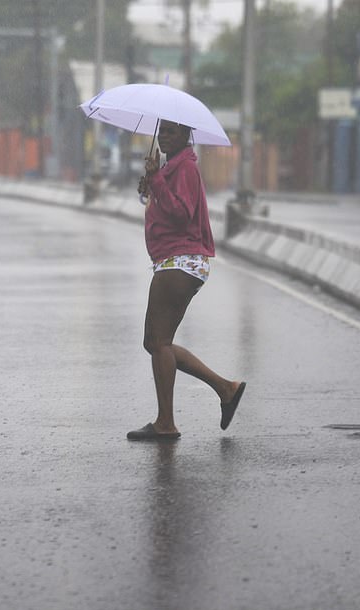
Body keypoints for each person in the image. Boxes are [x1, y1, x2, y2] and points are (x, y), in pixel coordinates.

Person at [126, 119, 246, 441]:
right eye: (161, 130)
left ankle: (166, 422)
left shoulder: (186, 168)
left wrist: (158, 183)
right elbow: (166, 207)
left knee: (157, 343)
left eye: (171, 131)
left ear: (185, 135)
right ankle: (226, 389)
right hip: (174, 260)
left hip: (181, 261)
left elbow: (182, 212)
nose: (164, 136)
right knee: (156, 343)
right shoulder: (173, 167)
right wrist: (151, 184)